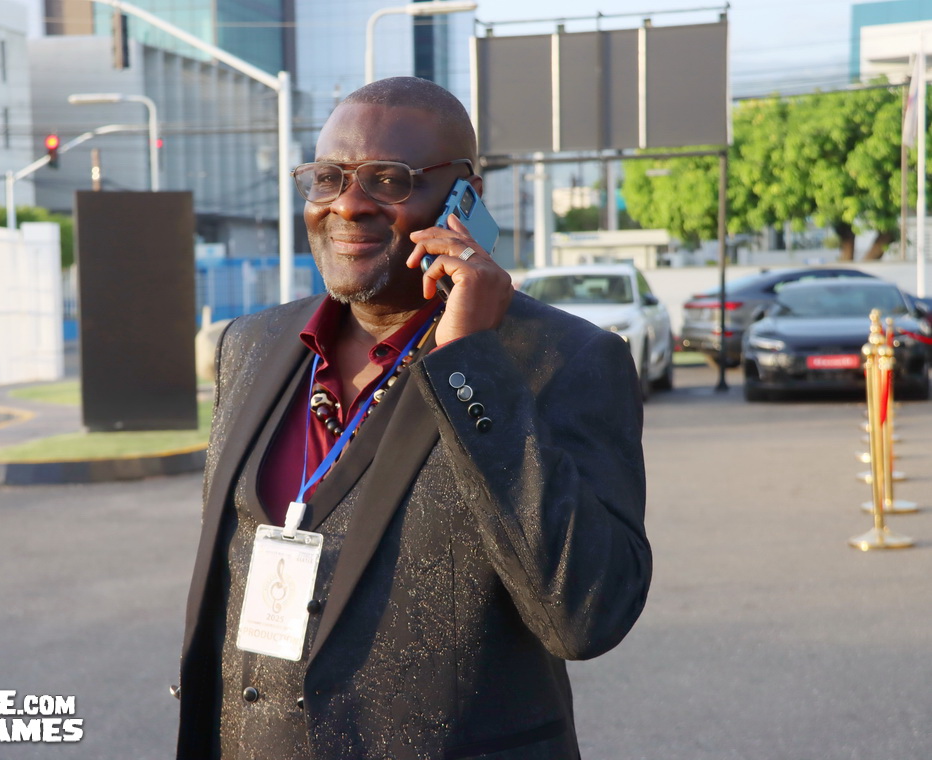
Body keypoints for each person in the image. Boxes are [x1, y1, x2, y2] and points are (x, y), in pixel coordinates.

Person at [175, 76, 651, 759]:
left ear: (466, 199)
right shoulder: (248, 346)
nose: (348, 204)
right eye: (328, 177)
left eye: (389, 181)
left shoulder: (565, 360)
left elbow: (587, 614)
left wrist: (473, 365)